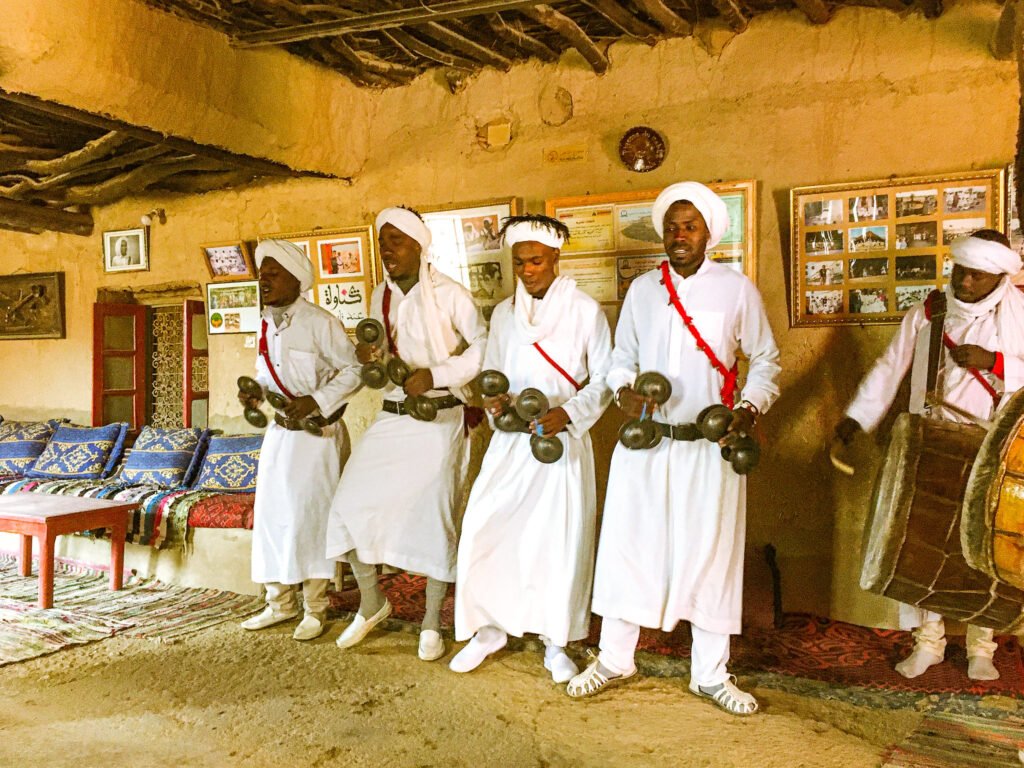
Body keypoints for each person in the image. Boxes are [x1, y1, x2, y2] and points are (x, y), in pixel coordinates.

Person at [566, 181, 781, 716]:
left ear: (709, 232)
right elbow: (621, 357)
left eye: (690, 226)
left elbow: (767, 360)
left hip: (711, 450)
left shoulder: (736, 290)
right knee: (627, 546)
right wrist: (623, 388)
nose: (680, 235)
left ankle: (709, 674)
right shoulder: (642, 291)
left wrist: (748, 410)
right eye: (672, 227)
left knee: (711, 554)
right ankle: (615, 658)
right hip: (646, 446)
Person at [835, 229, 1024, 681]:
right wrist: (855, 420)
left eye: (976, 276)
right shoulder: (929, 311)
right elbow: (889, 367)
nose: (964, 283)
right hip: (931, 441)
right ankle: (928, 643)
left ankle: (982, 647)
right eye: (960, 272)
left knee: (983, 548)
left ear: (998, 278)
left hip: (995, 450)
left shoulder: (1020, 313)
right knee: (919, 543)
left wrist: (996, 363)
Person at [449, 215, 613, 682]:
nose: (527, 270)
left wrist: (569, 413)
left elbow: (605, 378)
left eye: (536, 261)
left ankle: (555, 641)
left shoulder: (585, 311)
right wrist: (494, 398)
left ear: (556, 257)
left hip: (559, 445)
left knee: (555, 543)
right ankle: (488, 630)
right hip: (510, 444)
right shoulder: (502, 314)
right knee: (485, 527)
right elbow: (493, 372)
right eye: (519, 262)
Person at [325, 206, 487, 661]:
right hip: (393, 416)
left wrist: (435, 375)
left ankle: (432, 622)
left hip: (440, 417)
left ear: (420, 245)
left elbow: (484, 346)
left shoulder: (452, 295)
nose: (387, 251)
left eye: (396, 241)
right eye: (383, 242)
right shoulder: (380, 295)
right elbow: (376, 358)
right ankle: (374, 604)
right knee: (348, 507)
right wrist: (366, 353)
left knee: (434, 519)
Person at [239, 239, 363, 641]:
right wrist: (254, 392)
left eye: (273, 274)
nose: (265, 281)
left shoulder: (320, 322)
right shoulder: (264, 322)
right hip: (279, 436)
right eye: (262, 274)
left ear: (297, 279)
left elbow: (353, 371)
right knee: (274, 518)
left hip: (317, 438)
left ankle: (315, 608)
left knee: (311, 520)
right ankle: (279, 604)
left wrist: (316, 400)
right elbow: (264, 372)